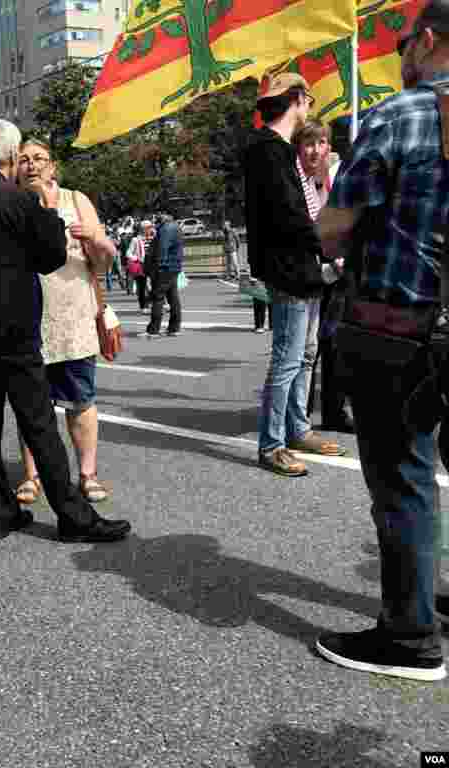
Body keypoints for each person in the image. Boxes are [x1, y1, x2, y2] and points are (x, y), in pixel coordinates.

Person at [312, 3, 449, 681]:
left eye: (402, 45)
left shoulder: (399, 115)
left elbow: (333, 230)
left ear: (426, 41)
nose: (400, 58)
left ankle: (411, 637)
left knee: (403, 480)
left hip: (403, 327)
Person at [0, 119, 132, 544]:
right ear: (10, 157)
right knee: (39, 423)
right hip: (16, 331)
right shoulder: (17, 201)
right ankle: (72, 516)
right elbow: (49, 258)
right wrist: (47, 211)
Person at [243, 72, 346, 478]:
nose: (311, 110)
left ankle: (298, 427)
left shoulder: (281, 150)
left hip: (305, 269)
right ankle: (271, 444)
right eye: (309, 101)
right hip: (288, 270)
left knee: (305, 356)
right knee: (287, 360)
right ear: (297, 100)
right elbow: (289, 216)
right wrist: (331, 240)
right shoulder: (268, 151)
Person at [13, 138, 115, 506]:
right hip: (27, 323)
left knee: (80, 401)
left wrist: (96, 241)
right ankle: (32, 474)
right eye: (23, 159)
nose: (32, 165)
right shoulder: (11, 201)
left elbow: (102, 263)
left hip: (73, 320)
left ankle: (87, 473)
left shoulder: (76, 200)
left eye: (39, 159)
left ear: (53, 167)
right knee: (33, 406)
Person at [295, 120, 354, 433]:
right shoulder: (300, 181)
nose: (316, 149)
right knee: (307, 346)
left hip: (339, 267)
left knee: (334, 344)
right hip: (313, 268)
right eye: (309, 143)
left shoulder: (339, 176)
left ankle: (334, 410)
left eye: (322, 142)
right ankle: (299, 411)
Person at [143, 213, 184, 337]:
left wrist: (158, 267)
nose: (154, 226)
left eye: (155, 223)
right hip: (173, 267)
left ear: (160, 221)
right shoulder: (175, 227)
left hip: (164, 268)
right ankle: (174, 327)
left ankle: (153, 329)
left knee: (158, 298)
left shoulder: (165, 229)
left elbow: (162, 249)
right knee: (173, 298)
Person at [126, 220, 153, 311]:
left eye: (151, 227)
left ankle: (152, 303)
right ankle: (143, 306)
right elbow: (128, 253)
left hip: (152, 265)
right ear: (143, 229)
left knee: (154, 285)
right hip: (141, 266)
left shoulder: (154, 238)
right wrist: (136, 259)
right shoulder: (136, 240)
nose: (150, 229)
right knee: (141, 287)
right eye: (148, 228)